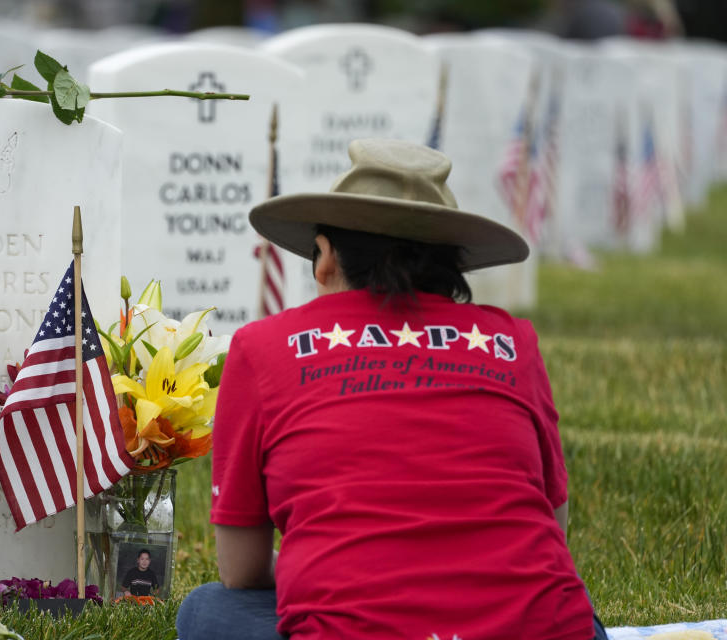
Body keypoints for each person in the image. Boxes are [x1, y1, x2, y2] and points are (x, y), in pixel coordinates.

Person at [176, 140, 608, 640]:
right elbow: (553, 529)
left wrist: (314, 567)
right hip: (538, 629)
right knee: (568, 605)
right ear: (453, 267)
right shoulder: (514, 343)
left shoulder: (261, 348)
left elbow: (241, 569)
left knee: (208, 608)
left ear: (325, 258)